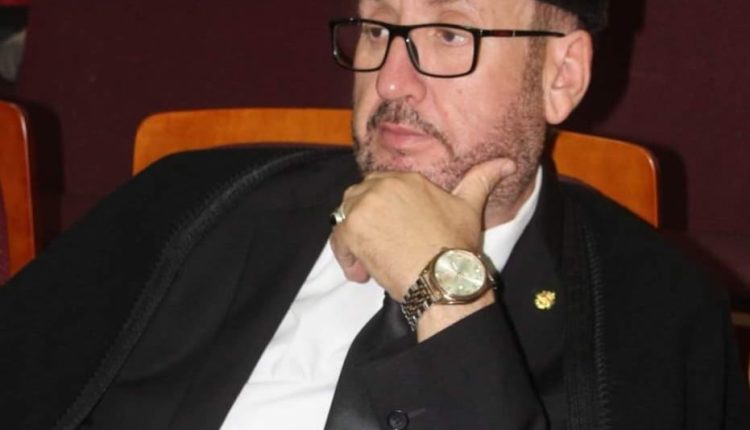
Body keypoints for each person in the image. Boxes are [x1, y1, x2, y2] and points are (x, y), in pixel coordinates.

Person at [0, 0, 748, 429]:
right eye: (378, 29)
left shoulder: (654, 314)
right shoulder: (192, 202)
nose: (392, 81)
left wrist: (443, 289)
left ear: (561, 75)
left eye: (450, 35)